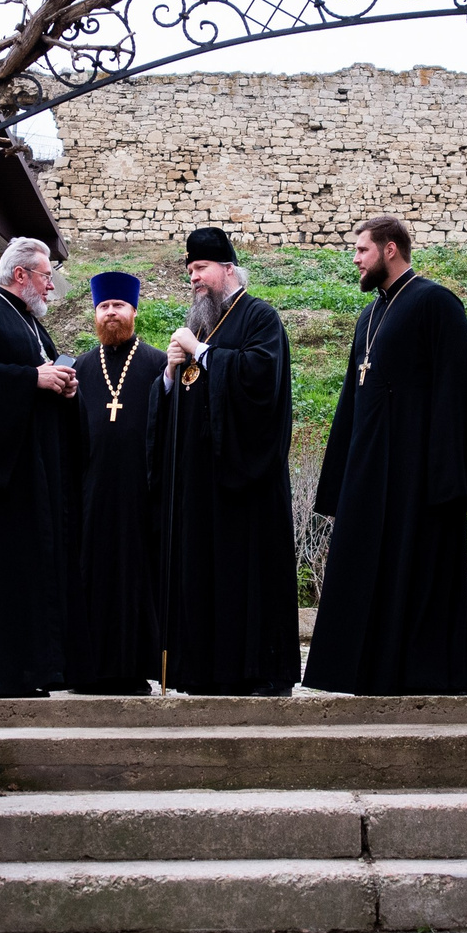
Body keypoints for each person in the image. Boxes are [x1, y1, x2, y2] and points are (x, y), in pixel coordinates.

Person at [304, 216, 467, 694]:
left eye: (362, 250)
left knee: (414, 574)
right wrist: (342, 479)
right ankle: (363, 673)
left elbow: (455, 391)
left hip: (417, 476)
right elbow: (351, 399)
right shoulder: (369, 315)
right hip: (369, 472)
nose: (355, 259)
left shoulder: (436, 303)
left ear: (390, 249)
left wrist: (444, 478)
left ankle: (417, 676)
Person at [154, 226, 301, 695]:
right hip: (201, 484)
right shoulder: (201, 325)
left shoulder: (260, 317)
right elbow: (181, 403)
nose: (194, 277)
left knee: (246, 577)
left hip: (245, 482)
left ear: (228, 269)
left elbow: (259, 378)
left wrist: (201, 352)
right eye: (190, 271)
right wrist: (169, 374)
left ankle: (256, 673)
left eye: (201, 268)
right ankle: (203, 673)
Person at [0, 236, 83, 698]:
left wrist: (62, 385)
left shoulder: (30, 322)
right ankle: (2, 673)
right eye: (47, 276)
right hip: (4, 477)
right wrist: (32, 377)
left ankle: (38, 670)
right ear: (21, 275)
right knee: (7, 572)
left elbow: (40, 376)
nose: (51, 286)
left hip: (35, 470)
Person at [66, 271, 165, 695]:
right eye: (104, 307)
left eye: (118, 306)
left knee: (136, 576)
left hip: (142, 491)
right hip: (92, 491)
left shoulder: (158, 364)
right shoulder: (82, 366)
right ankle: (88, 672)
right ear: (95, 313)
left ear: (134, 311)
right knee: (92, 574)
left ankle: (133, 669)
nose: (111, 313)